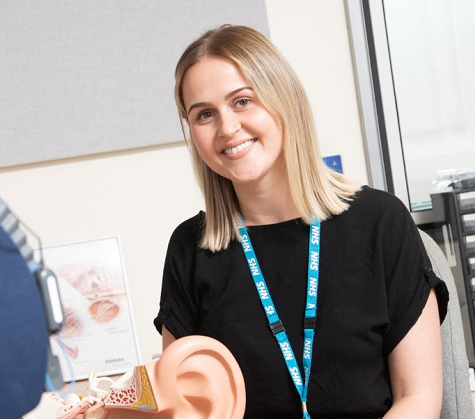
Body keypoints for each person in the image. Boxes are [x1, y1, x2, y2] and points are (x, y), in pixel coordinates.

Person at [153, 25, 449, 419]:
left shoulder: (381, 223)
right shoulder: (190, 248)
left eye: (242, 101)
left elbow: (419, 398)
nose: (226, 128)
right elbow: (184, 408)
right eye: (204, 114)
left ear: (284, 99)